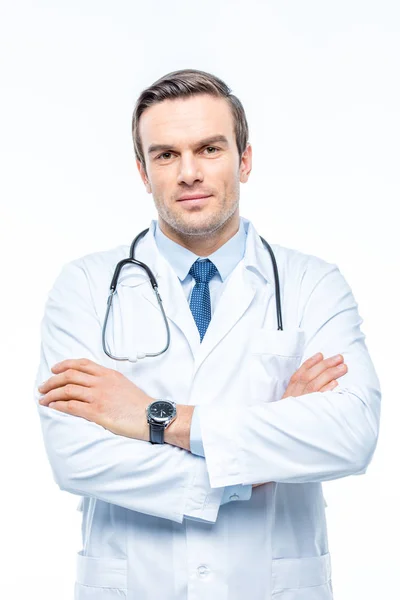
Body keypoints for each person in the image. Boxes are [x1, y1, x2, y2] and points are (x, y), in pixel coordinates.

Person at [34, 68, 381, 600]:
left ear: (244, 159)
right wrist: (253, 467)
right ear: (143, 172)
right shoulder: (84, 287)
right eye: (166, 155)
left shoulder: (313, 283)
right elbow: (76, 454)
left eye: (209, 149)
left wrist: (156, 418)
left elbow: (349, 434)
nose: (189, 172)